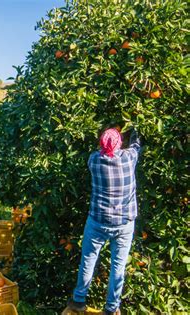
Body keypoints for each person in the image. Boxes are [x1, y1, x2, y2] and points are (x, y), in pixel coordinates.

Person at [67, 127, 141, 315]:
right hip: (124, 223)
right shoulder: (129, 158)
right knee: (118, 265)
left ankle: (78, 300)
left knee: (88, 260)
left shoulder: (94, 160)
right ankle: (111, 308)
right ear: (120, 144)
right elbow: (136, 145)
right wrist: (136, 129)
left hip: (98, 221)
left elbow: (102, 153)